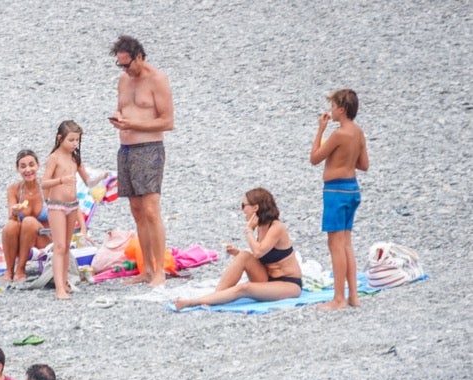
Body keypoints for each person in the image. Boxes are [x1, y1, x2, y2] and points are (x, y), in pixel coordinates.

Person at [110, 34, 174, 287]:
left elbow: (167, 121)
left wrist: (133, 123)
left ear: (139, 57)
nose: (125, 69)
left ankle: (159, 271)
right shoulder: (123, 80)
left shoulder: (157, 79)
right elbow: (124, 107)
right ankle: (146, 268)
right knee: (136, 210)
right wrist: (118, 117)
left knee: (150, 209)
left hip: (149, 148)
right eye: (120, 65)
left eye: (127, 64)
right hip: (125, 149)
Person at [172, 188, 303, 310]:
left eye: (243, 206)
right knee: (244, 255)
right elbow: (262, 256)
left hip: (288, 283)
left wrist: (248, 231)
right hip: (268, 278)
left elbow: (258, 252)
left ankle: (193, 302)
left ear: (255, 207)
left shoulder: (276, 227)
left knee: (244, 288)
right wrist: (238, 253)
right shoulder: (261, 226)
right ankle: (216, 296)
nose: (242, 210)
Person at [310, 88, 369, 310]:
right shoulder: (358, 133)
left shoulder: (338, 134)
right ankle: (353, 295)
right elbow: (364, 165)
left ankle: (338, 298)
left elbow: (315, 158)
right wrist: (346, 159)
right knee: (346, 243)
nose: (331, 111)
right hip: (352, 189)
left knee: (335, 244)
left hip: (335, 191)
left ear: (342, 110)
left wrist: (320, 130)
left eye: (333, 107)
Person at [42, 121, 97, 300]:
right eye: (71, 140)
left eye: (77, 140)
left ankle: (64, 281)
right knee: (59, 246)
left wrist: (103, 178)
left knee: (66, 246)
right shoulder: (55, 158)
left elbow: (88, 179)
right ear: (60, 139)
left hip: (72, 204)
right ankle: (59, 288)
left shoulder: (75, 158)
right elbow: (43, 182)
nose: (74, 144)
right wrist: (60, 181)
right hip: (56, 205)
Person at [2, 149, 51, 282]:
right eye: (23, 166)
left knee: (29, 221)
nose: (28, 170)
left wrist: (82, 229)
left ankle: (21, 269)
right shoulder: (14, 189)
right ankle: (9, 270)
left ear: (38, 166)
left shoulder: (46, 187)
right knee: (10, 226)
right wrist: (15, 212)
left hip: (45, 239)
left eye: (31, 165)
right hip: (22, 241)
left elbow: (69, 207)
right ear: (17, 169)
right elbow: (11, 218)